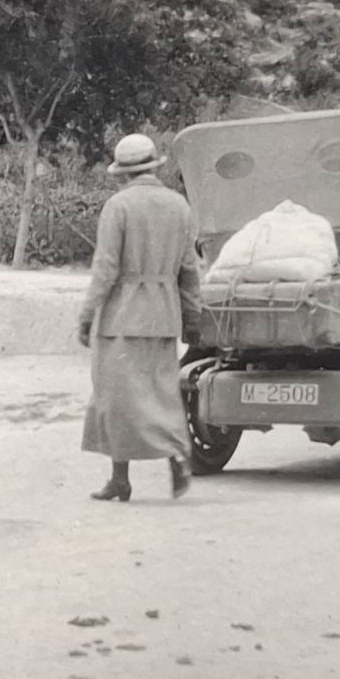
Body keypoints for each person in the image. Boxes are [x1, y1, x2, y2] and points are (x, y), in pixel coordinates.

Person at [77, 133, 201, 501]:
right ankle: (177, 457)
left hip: (122, 314)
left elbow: (106, 267)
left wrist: (87, 313)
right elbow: (189, 269)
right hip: (162, 315)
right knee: (161, 393)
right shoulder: (179, 206)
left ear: (122, 173)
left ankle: (120, 477)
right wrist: (192, 316)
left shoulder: (119, 206)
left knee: (115, 397)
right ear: (153, 166)